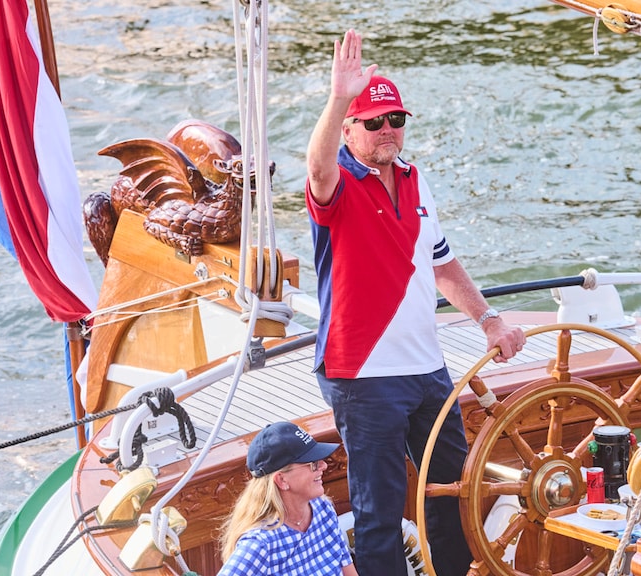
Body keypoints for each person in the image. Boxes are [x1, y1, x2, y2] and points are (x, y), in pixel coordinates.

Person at [303, 29, 526, 576]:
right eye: (373, 122)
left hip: (427, 368)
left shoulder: (416, 181)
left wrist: (490, 320)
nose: (387, 131)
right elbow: (317, 169)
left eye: (395, 120)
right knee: (379, 512)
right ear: (350, 128)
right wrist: (337, 97)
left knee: (452, 491)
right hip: (363, 373)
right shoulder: (338, 186)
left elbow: (443, 264)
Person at [218, 421, 357, 576]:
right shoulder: (259, 544)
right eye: (313, 464)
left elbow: (347, 569)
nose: (323, 466)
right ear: (282, 480)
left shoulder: (323, 508)